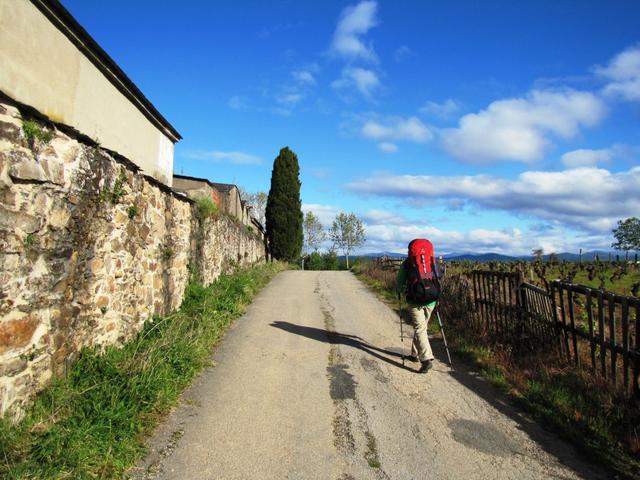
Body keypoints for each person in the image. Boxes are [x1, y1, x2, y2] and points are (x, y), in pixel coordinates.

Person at [395, 245, 438, 373]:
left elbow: (399, 282)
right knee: (422, 328)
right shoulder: (432, 261)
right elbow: (438, 277)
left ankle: (426, 359)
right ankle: (414, 355)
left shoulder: (407, 263)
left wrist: (398, 291)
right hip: (431, 299)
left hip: (415, 300)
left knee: (420, 328)